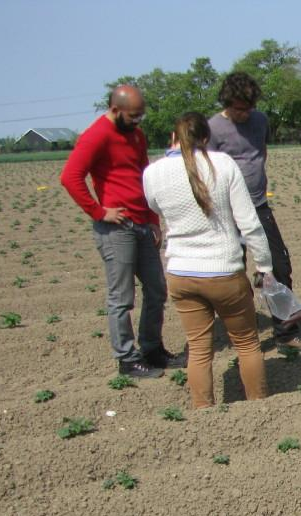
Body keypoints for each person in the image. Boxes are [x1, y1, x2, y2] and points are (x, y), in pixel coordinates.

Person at [143, 112, 275, 408]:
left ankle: (203, 414)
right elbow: (250, 224)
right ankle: (259, 406)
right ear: (206, 138)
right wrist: (264, 266)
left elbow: (154, 206)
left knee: (200, 350)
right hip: (223, 271)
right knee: (246, 344)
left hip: (180, 273)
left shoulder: (153, 172)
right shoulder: (223, 164)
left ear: (173, 138)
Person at [60, 84, 182, 377]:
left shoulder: (136, 135)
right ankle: (127, 359)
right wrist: (99, 211)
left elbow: (145, 177)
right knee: (122, 297)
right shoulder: (96, 135)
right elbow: (70, 177)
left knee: (156, 288)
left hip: (142, 223)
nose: (138, 121)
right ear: (115, 110)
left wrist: (153, 218)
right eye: (133, 116)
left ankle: (152, 350)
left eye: (141, 115)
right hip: (117, 229)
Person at [207, 72, 301, 353]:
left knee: (279, 267)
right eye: (239, 109)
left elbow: (260, 153)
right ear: (227, 103)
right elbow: (205, 171)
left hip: (258, 207)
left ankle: (285, 333)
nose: (245, 114)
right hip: (226, 213)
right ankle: (243, 337)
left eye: (249, 107)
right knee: (232, 275)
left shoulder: (261, 121)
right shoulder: (213, 128)